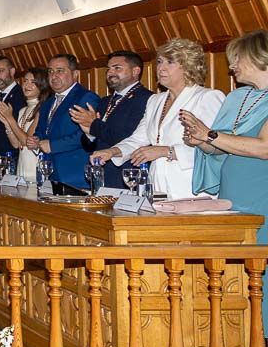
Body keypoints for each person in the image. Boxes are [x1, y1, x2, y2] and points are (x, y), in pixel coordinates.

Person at [184, 30, 268, 326]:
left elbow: (264, 148)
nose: (231, 65)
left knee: (262, 271)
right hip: (233, 197)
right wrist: (200, 139)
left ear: (260, 57)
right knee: (237, 271)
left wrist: (210, 134)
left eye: (237, 58)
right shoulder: (236, 97)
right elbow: (218, 144)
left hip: (263, 198)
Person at [91, 38, 224, 198]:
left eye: (170, 62)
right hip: (157, 184)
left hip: (191, 187)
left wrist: (165, 151)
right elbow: (139, 138)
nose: (161, 68)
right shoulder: (156, 100)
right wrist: (112, 151)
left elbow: (217, 148)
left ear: (188, 66)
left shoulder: (207, 97)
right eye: (160, 62)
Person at [71, 50, 153, 188]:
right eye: (108, 68)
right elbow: (90, 145)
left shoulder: (146, 99)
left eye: (117, 68)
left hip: (127, 177)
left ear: (135, 71)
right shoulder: (105, 101)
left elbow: (127, 137)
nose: (110, 72)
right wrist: (89, 133)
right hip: (101, 176)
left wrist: (94, 125)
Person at [32, 54, 102, 190]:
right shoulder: (48, 102)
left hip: (75, 176)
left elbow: (87, 134)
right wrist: (36, 139)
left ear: (75, 74)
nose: (53, 76)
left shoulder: (86, 97)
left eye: (60, 71)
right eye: (50, 72)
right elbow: (42, 130)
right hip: (49, 175)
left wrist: (53, 145)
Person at [0, 67, 52, 182]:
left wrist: (10, 118)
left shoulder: (43, 109)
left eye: (33, 82)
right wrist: (7, 123)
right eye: (25, 81)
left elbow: (27, 141)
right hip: (21, 167)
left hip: (35, 168)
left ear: (43, 86)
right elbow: (17, 144)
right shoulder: (23, 110)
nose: (27, 85)